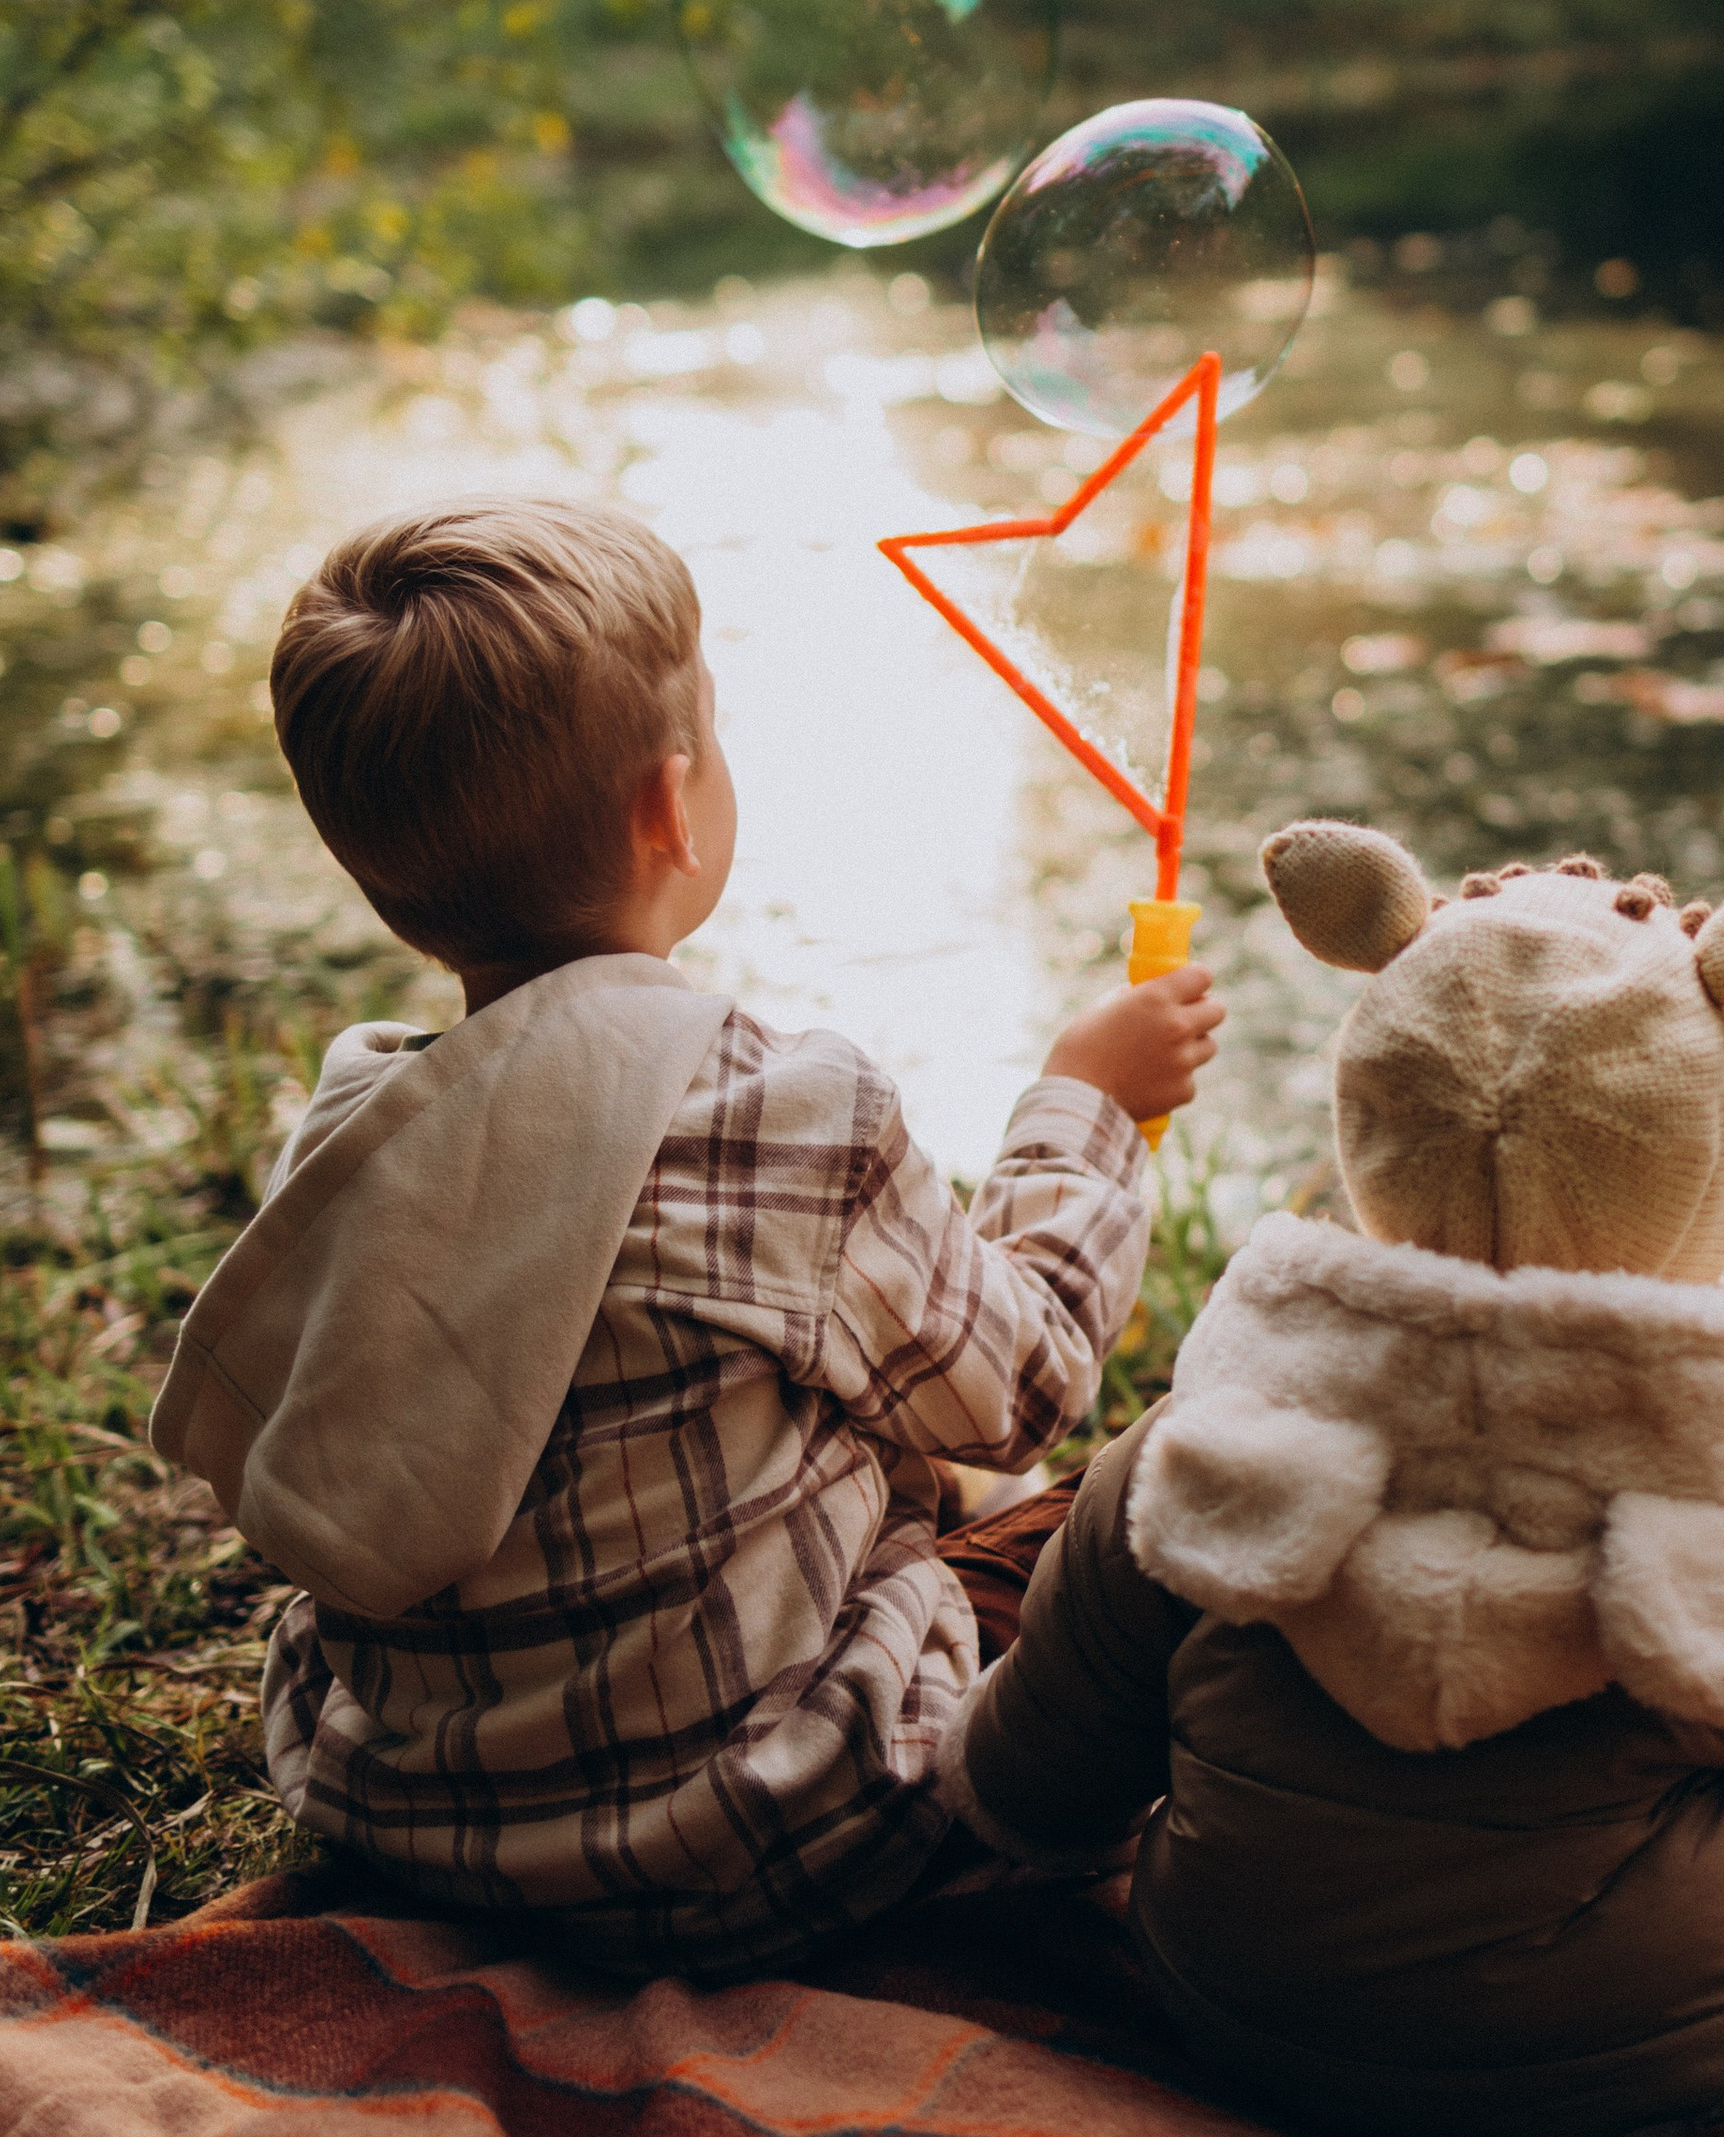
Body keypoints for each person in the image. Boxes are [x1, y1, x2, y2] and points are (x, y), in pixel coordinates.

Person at [938, 822, 1724, 2137]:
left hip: (1242, 2015)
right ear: (1700, 1138)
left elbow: (1029, 1787)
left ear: (1375, 1114)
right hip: (1661, 2044)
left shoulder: (1217, 1428)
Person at [152, 496, 1219, 1976]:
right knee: (1154, 1503)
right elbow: (1026, 1383)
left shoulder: (352, 1127)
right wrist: (1082, 1110)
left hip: (414, 1817)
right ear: (674, 807)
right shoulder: (790, 1114)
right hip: (767, 1835)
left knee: (921, 1453)